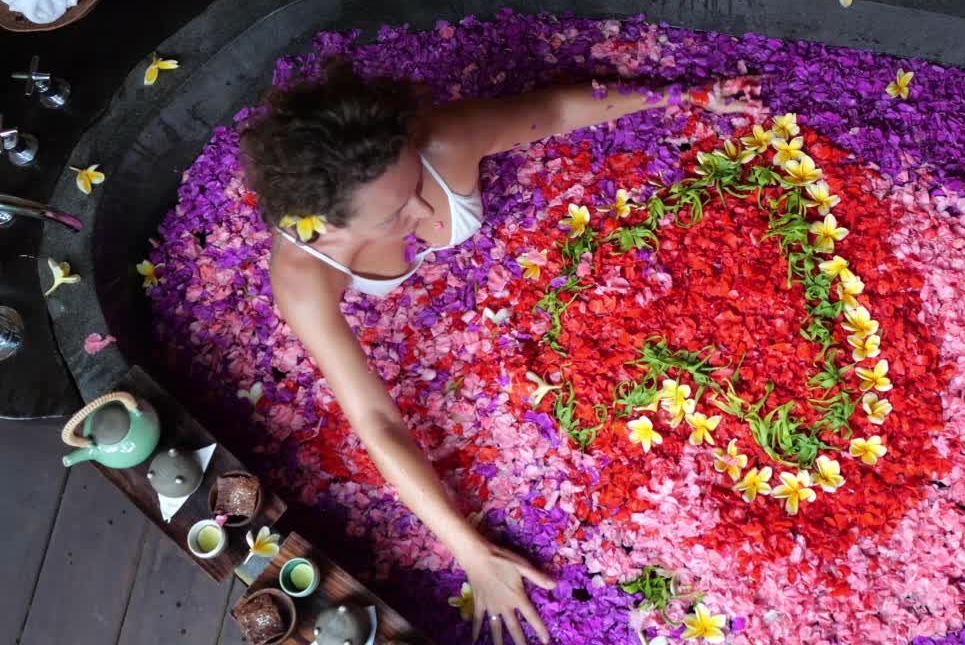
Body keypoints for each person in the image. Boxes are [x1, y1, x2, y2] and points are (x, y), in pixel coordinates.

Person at [240, 58, 752, 645]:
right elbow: (376, 421)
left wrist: (687, 94)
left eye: (414, 187)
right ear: (326, 230)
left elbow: (556, 110)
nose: (426, 213)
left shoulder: (441, 138)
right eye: (396, 212)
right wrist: (472, 553)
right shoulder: (304, 276)